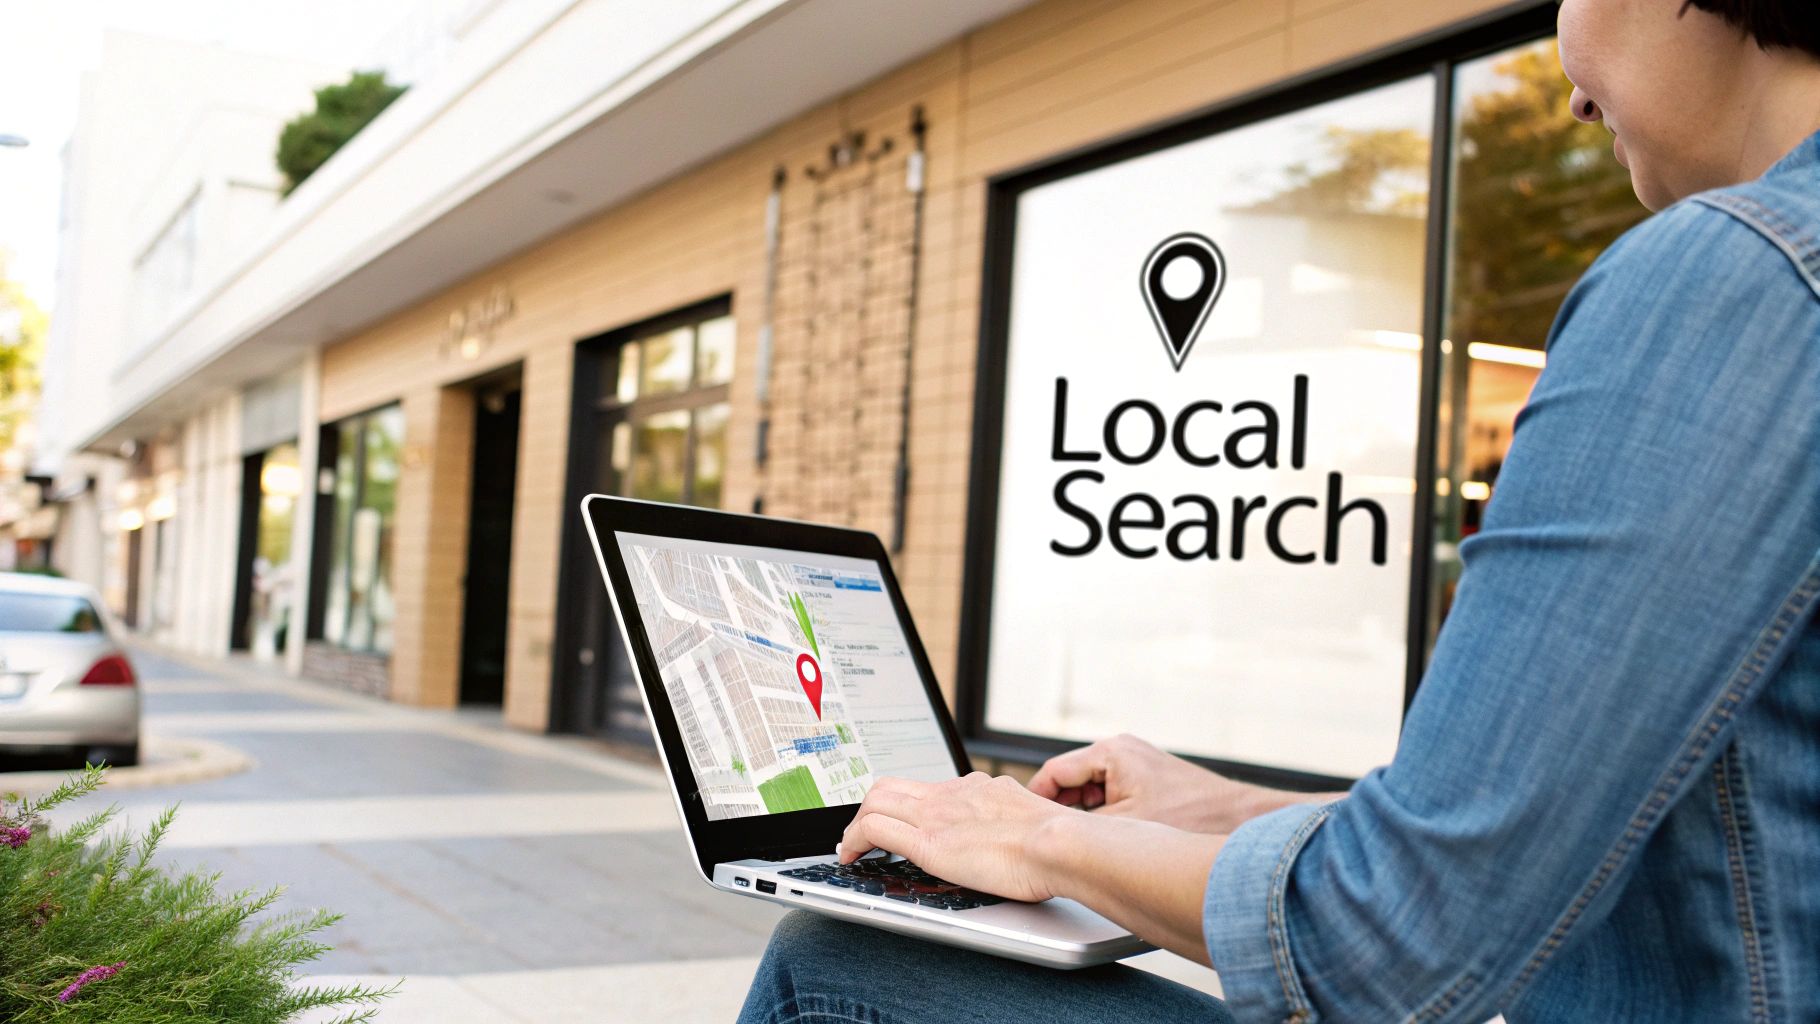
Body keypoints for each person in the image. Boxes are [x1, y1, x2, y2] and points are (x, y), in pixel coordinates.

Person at [739, 0, 1820, 1020]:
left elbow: (1389, 947)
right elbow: (1541, 861)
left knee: (835, 966)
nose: (1571, 90)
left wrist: (1027, 840)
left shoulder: (1732, 275)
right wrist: (1218, 811)